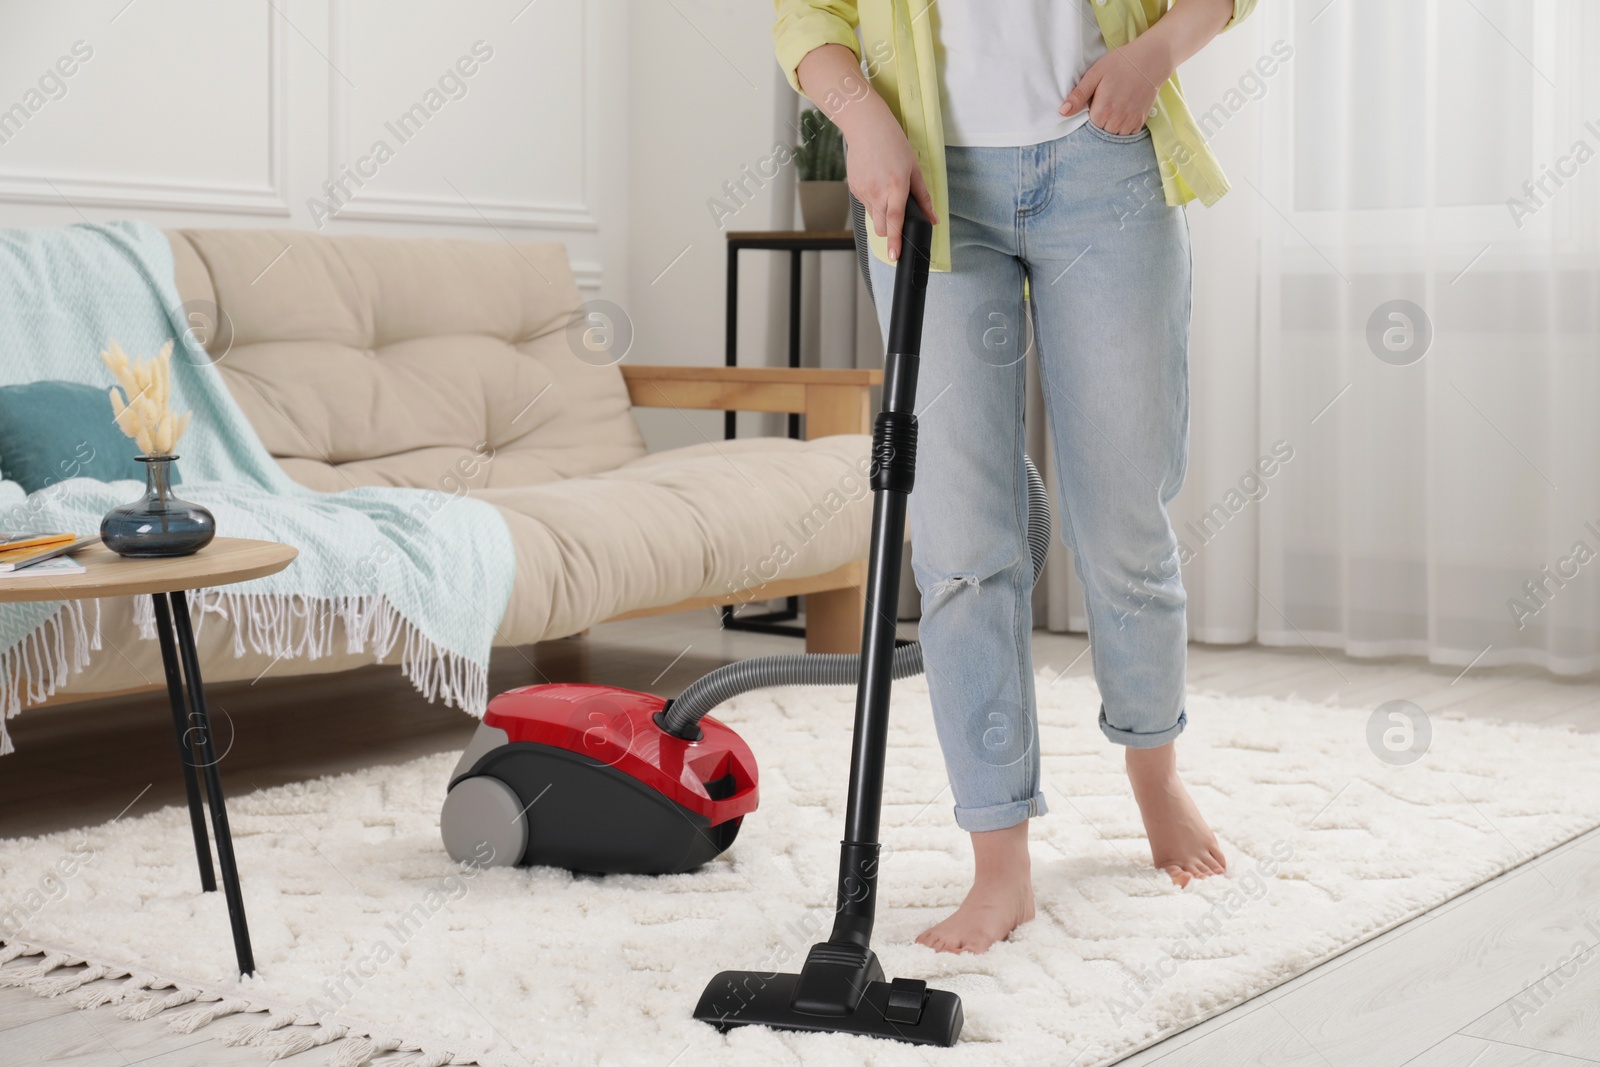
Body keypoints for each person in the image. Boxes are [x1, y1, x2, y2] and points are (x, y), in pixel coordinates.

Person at [774, 0, 1256, 954]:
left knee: (1122, 513)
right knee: (961, 542)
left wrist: (1155, 54)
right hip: (930, 182)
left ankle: (1156, 778)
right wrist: (862, 115)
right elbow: (804, 15)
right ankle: (1001, 864)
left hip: (1104, 160)